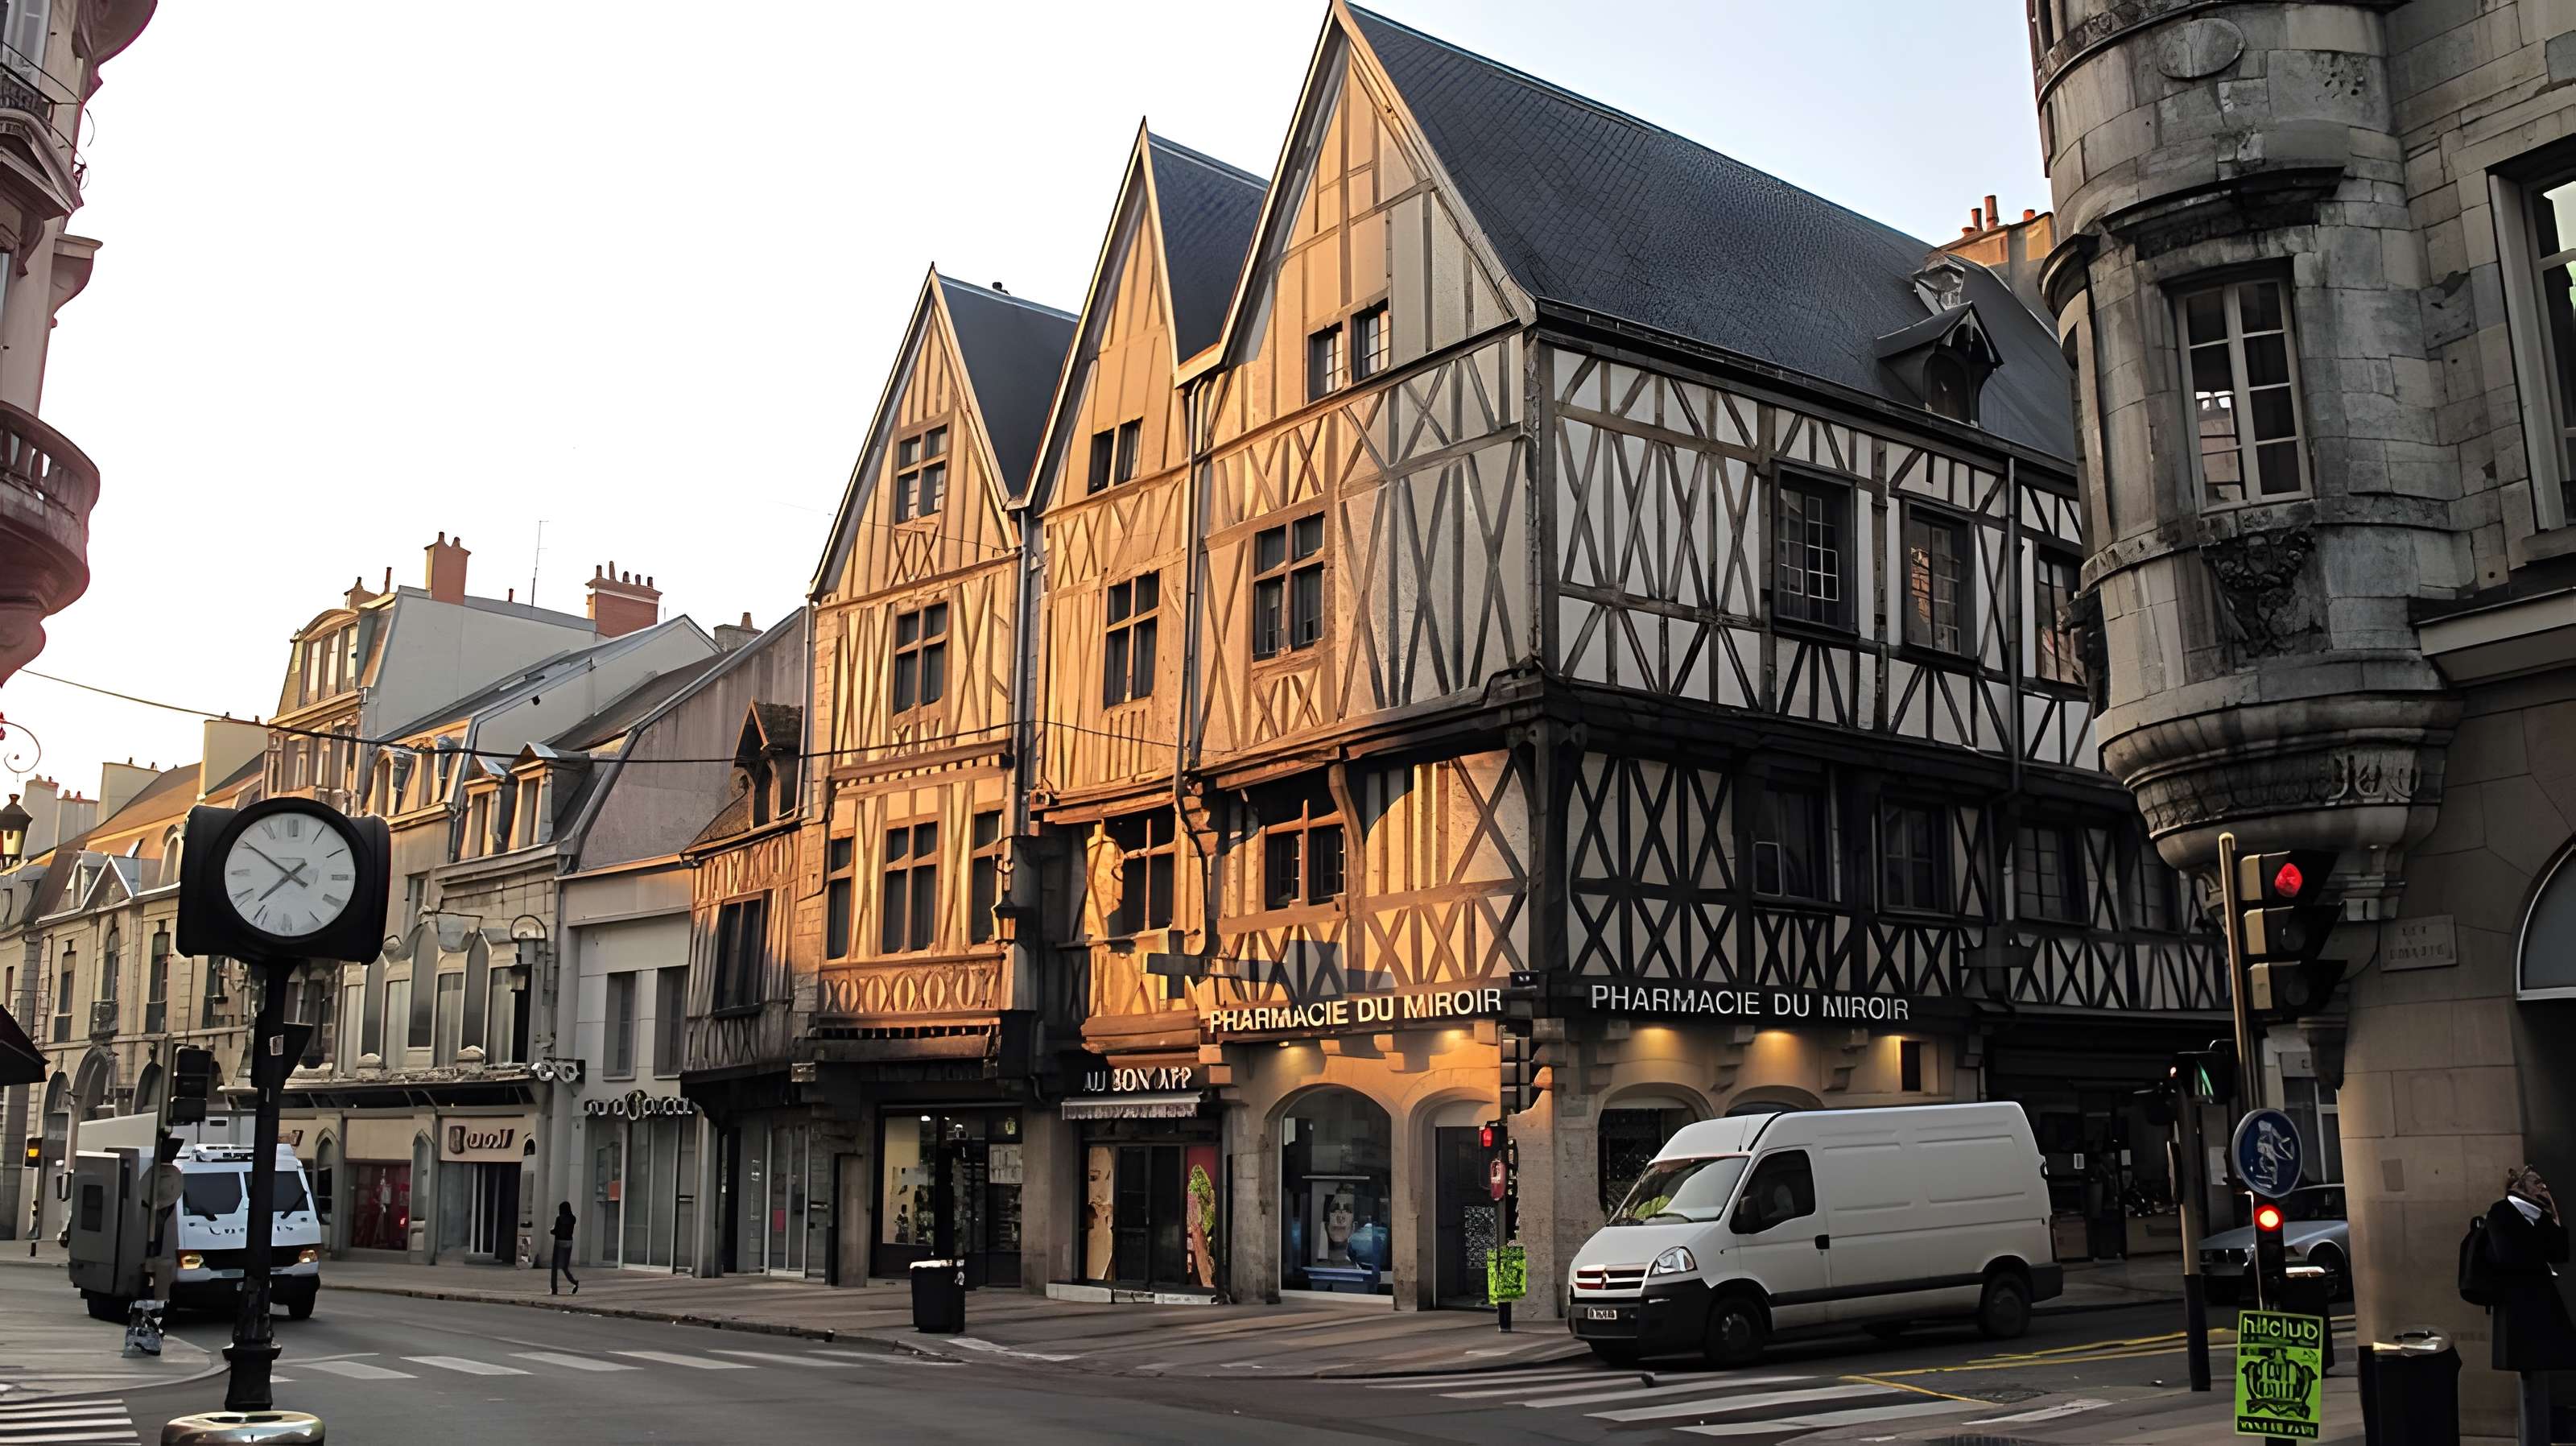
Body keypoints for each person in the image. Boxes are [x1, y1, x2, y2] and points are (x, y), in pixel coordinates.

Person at [2485, 1165, 2576, 1445]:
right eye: (2536, 1183)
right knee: (2529, 1374)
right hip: (2519, 1306)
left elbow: (2560, 1252)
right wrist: (2538, 1239)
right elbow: (2511, 1256)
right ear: (2519, 1186)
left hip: (2540, 1302)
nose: (2542, 1188)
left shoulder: (2540, 1217)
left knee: (2541, 1371)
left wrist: (2554, 1213)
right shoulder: (2502, 1212)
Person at [548, 1201, 580, 1296]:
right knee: (564, 1267)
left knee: (554, 1267)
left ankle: (554, 1290)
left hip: (559, 1242)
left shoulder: (559, 1218)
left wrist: (552, 1229)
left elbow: (555, 1231)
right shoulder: (573, 1218)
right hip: (569, 1243)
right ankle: (574, 1282)